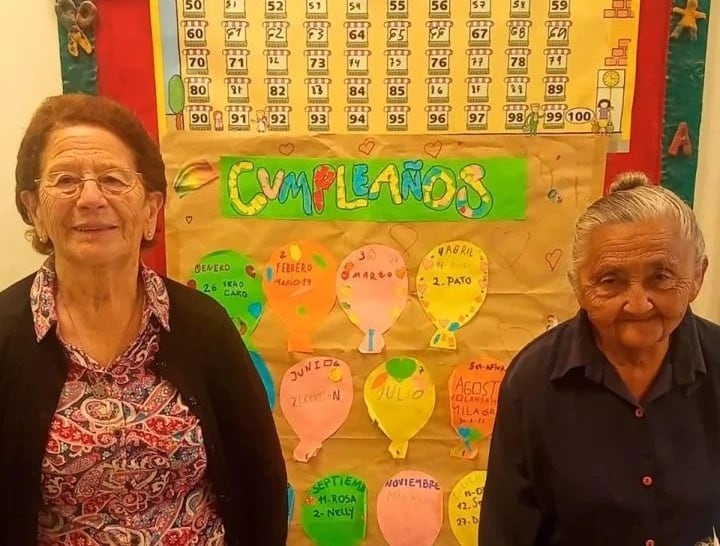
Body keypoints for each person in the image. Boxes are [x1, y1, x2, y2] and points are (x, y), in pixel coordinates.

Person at [0, 94, 288, 546]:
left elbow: (262, 482)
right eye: (66, 180)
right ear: (35, 210)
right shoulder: (5, 336)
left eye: (114, 180)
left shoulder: (202, 326)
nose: (91, 198)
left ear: (151, 210)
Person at [479, 172, 720, 546]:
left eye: (661, 277)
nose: (638, 303)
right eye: (610, 280)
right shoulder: (533, 381)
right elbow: (506, 533)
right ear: (578, 285)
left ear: (697, 276)